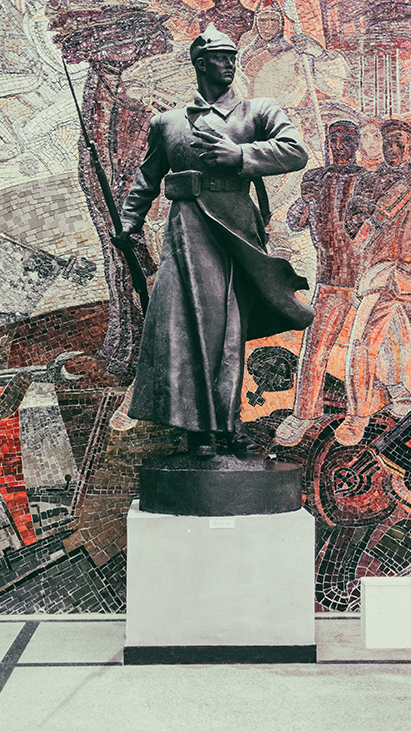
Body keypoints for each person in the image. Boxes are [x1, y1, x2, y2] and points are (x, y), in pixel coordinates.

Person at [115, 24, 314, 456]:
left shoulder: (257, 111)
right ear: (201, 64)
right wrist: (128, 222)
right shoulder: (167, 123)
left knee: (229, 329)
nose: (230, 64)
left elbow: (295, 150)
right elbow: (147, 179)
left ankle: (227, 422)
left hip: (236, 230)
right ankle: (199, 429)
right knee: (190, 327)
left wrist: (240, 155)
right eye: (221, 57)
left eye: (232, 57)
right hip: (187, 231)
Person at [335, 119, 411, 446]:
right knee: (362, 343)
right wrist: (365, 216)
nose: (394, 150)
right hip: (379, 275)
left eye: (400, 144)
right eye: (389, 144)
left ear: (410, 146)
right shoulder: (368, 182)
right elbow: (352, 228)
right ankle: (357, 416)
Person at [275, 120, 364, 446]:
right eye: (334, 139)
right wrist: (304, 199)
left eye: (347, 139)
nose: (339, 146)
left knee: (369, 351)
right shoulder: (316, 178)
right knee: (314, 350)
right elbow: (294, 222)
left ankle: (366, 412)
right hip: (331, 278)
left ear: (357, 144)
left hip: (369, 278)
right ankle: (305, 413)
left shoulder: (368, 179)